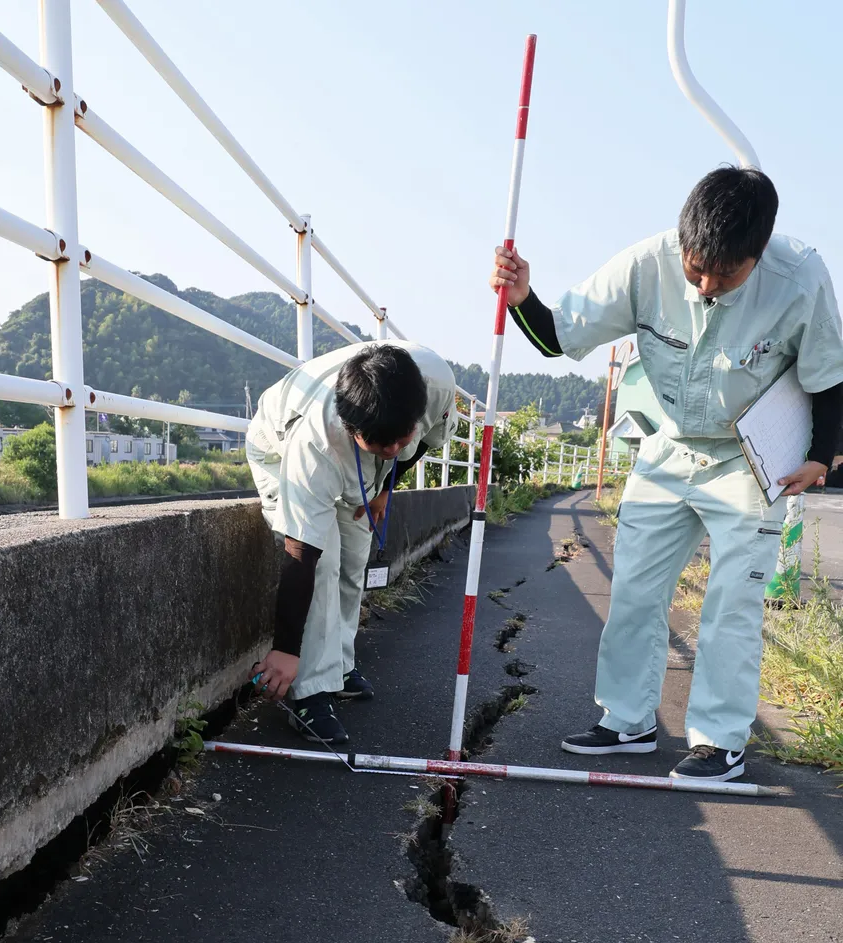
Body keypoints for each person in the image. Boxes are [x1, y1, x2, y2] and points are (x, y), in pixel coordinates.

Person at [492, 166, 843, 781]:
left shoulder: (802, 277)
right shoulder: (645, 264)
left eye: (725, 274)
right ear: (683, 241)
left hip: (746, 456)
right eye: (695, 267)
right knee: (633, 588)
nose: (706, 285)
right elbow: (559, 338)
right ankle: (628, 721)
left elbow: (829, 373)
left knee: (731, 600)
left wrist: (822, 455)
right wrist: (524, 296)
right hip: (670, 446)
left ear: (758, 255)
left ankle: (719, 742)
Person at [246, 340, 456, 745]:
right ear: (351, 428)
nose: (396, 449)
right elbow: (301, 555)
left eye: (401, 436)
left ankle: (338, 666)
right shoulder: (314, 445)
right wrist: (285, 649)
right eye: (383, 443)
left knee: (354, 556)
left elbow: (423, 441)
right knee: (325, 563)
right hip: (278, 449)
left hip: (364, 468)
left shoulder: (436, 384)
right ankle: (309, 693)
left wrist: (384, 488)